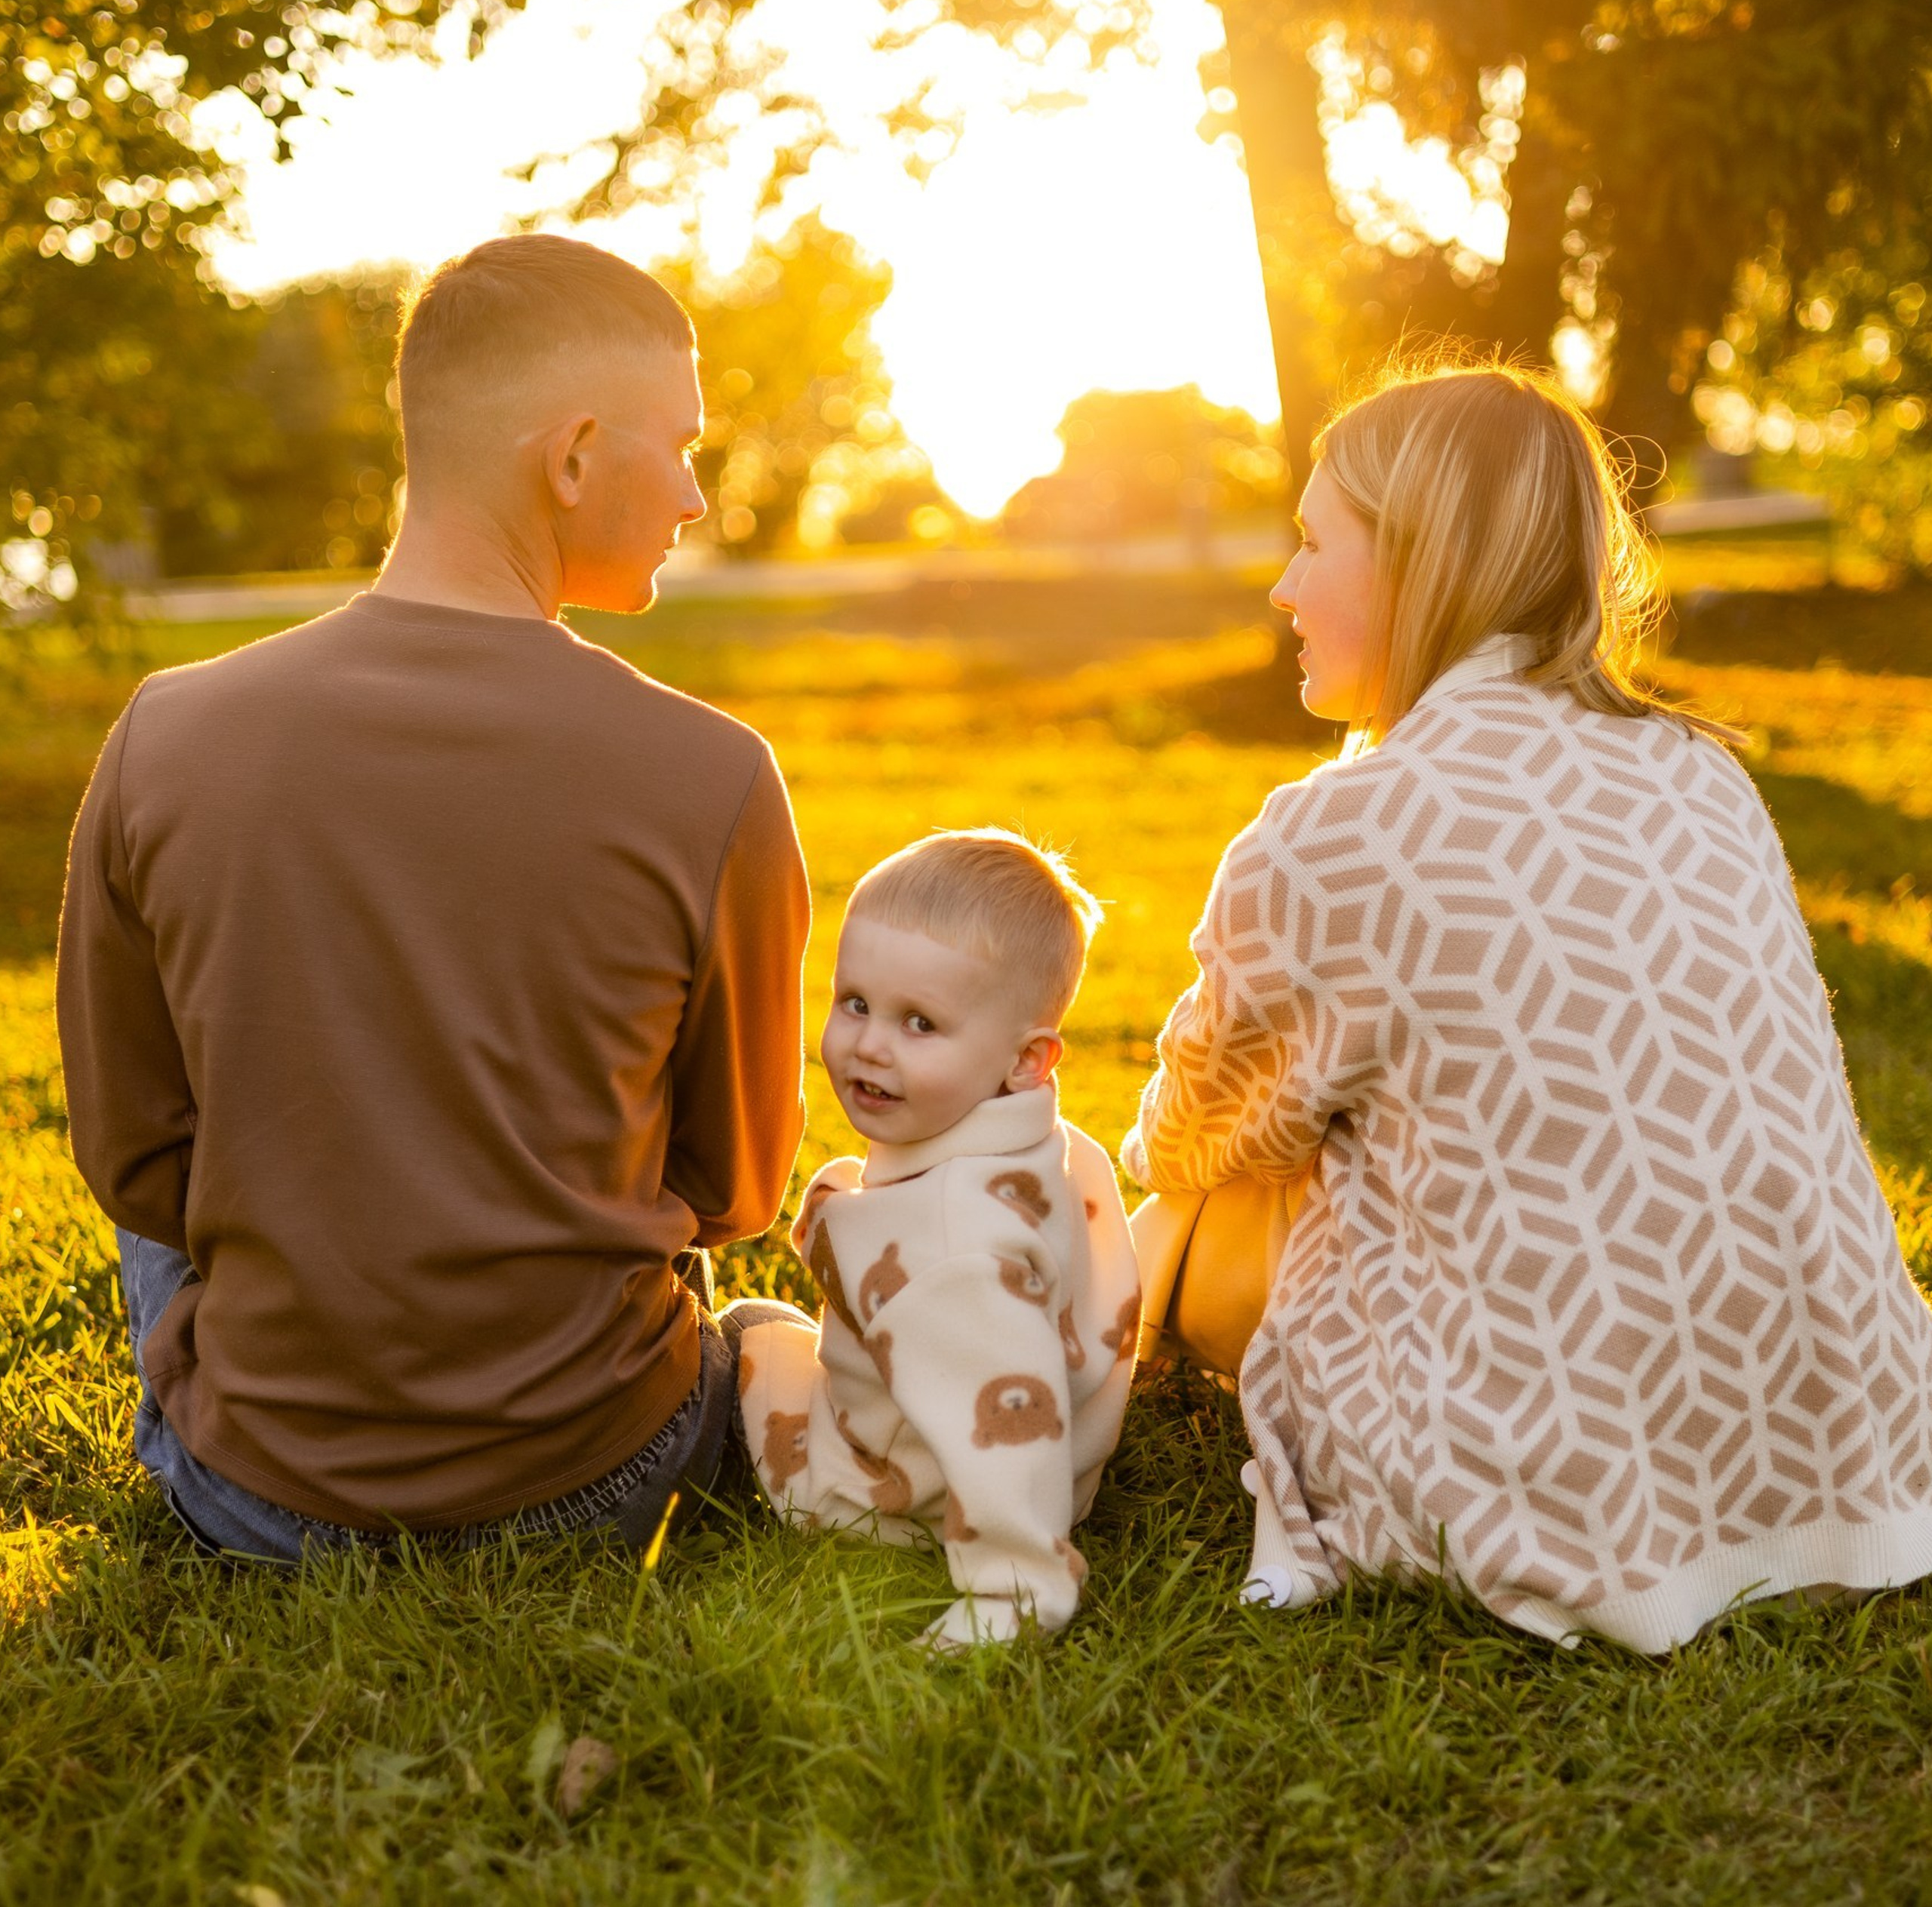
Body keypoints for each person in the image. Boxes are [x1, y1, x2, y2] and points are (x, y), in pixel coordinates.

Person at [1124, 356, 1932, 1650]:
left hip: (1539, 1493)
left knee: (1201, 1209)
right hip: (1850, 1446)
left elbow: (1190, 1141)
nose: (1282, 586)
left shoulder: (1338, 833)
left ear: (1419, 561)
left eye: (1314, 544)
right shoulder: (1701, 773)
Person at [57, 233, 811, 1563]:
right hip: (604, 1475)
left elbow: (133, 1161)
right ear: (573, 459)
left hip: (259, 1497)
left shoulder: (161, 735)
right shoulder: (718, 775)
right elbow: (732, 1191)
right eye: (683, 447)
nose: (696, 497)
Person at [728, 832, 1141, 1648]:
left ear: (1026, 1060)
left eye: (920, 1023)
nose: (870, 1044)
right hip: (1053, 1459)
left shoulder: (956, 1252)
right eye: (855, 1003)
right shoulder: (1045, 1146)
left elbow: (1006, 1413)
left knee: (731, 1339)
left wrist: (1016, 1585)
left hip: (898, 1497)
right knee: (767, 1325)